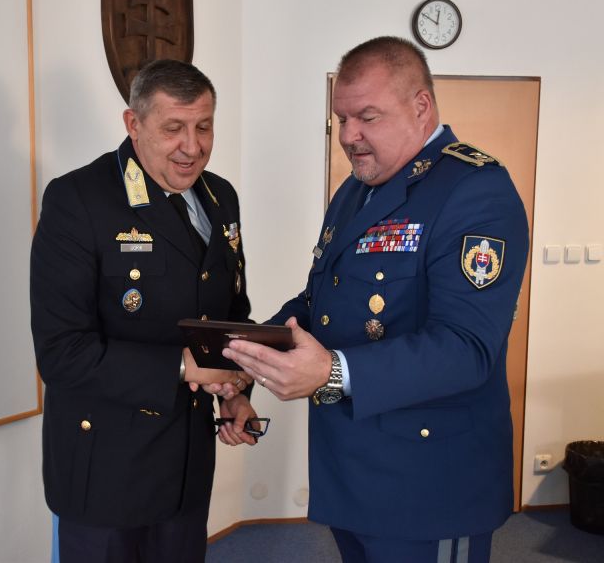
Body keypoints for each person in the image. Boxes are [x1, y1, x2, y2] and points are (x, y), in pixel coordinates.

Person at [223, 36, 529, 562]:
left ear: (421, 106)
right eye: (341, 118)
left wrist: (332, 373)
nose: (349, 135)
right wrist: (242, 354)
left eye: (367, 117)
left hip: (430, 484)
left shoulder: (475, 189)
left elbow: (466, 348)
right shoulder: (357, 189)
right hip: (353, 470)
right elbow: (320, 300)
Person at [30, 59, 258, 563]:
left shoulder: (221, 197)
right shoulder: (79, 199)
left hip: (187, 464)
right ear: (133, 124)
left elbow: (232, 314)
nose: (192, 147)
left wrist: (236, 389)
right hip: (106, 470)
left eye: (204, 127)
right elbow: (62, 353)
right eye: (173, 129)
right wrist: (184, 367)